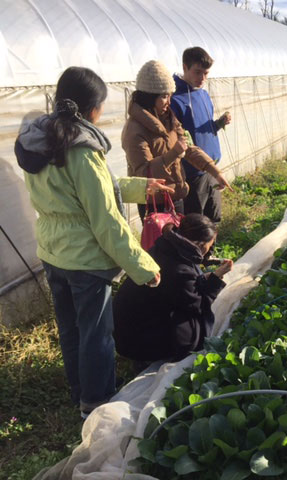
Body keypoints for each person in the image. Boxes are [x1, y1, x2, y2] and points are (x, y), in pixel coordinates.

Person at [14, 67, 171, 418]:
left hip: (53, 253)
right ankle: (97, 404)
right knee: (96, 335)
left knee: (70, 328)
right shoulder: (82, 151)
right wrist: (144, 267)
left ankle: (78, 391)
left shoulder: (40, 140)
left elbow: (88, 190)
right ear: (92, 110)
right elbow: (105, 222)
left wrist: (142, 186)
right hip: (86, 260)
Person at [113, 214, 232, 362]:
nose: (208, 252)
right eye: (209, 247)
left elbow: (179, 289)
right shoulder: (179, 269)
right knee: (196, 326)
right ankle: (151, 358)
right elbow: (199, 304)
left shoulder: (165, 247)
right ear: (200, 246)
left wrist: (206, 277)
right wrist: (215, 278)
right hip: (139, 342)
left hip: (127, 331)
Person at [122, 60, 231, 221]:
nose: (169, 102)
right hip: (155, 203)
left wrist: (215, 172)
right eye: (165, 96)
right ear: (149, 97)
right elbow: (144, 173)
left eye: (170, 96)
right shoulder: (134, 129)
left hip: (176, 196)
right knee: (163, 246)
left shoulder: (168, 119)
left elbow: (189, 148)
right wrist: (174, 153)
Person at [171, 47, 231, 224]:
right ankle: (198, 252)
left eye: (206, 73)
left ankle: (210, 251)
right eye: (197, 72)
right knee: (197, 222)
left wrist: (218, 124)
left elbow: (202, 128)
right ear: (184, 67)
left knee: (214, 217)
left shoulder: (203, 94)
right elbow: (181, 140)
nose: (202, 78)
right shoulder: (176, 100)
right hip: (192, 173)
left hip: (211, 168)